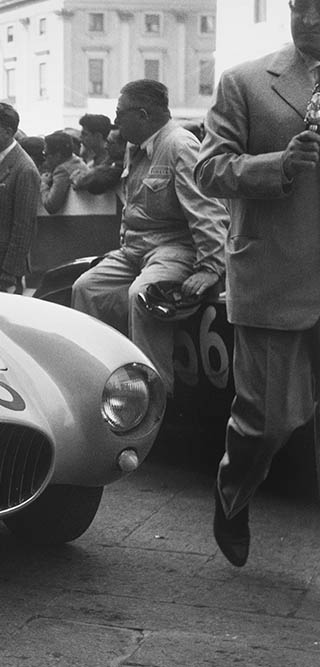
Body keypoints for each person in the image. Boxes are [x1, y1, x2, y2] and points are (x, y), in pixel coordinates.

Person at [194, 0, 320, 568]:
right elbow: (209, 170)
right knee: (267, 422)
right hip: (275, 275)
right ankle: (233, 491)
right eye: (303, 7)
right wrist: (282, 164)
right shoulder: (246, 82)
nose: (311, 20)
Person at [71, 79, 227, 399]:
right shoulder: (137, 147)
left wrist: (211, 267)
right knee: (86, 289)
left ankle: (153, 398)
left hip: (174, 249)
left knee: (143, 296)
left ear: (142, 115)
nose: (115, 122)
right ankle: (100, 383)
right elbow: (133, 208)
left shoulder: (179, 146)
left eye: (119, 113)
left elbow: (207, 211)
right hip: (136, 250)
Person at [0, 102, 41, 293]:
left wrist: (9, 273)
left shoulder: (25, 169)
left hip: (3, 269)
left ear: (8, 131)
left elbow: (24, 226)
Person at [40, 131, 86, 214]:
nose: (44, 159)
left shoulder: (62, 170)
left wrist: (43, 184)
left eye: (45, 154)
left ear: (57, 156)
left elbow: (51, 206)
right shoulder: (76, 161)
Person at [73, 128, 127, 195]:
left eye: (111, 143)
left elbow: (96, 182)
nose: (106, 146)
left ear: (124, 146)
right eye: (107, 142)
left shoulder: (123, 164)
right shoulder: (110, 160)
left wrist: (79, 178)